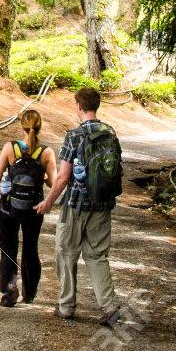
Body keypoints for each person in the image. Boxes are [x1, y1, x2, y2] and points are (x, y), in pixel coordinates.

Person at [34, 87, 124, 326]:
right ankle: (110, 306)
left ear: (79, 107)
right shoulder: (111, 133)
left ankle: (66, 306)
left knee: (66, 252)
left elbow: (63, 177)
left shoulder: (74, 135)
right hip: (102, 204)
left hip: (75, 204)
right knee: (97, 256)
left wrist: (48, 202)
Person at [0, 109, 56, 307]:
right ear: (40, 125)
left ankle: (9, 290)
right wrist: (41, 176)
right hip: (33, 209)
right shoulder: (46, 152)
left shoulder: (10, 148)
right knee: (30, 248)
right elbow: (53, 182)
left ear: (21, 125)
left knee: (8, 248)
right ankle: (29, 292)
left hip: (8, 207)